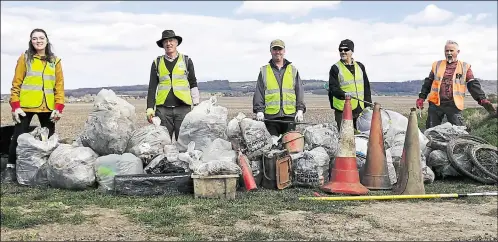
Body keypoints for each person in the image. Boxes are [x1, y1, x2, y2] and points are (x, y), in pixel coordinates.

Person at [2, 28, 65, 184]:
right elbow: (16, 84)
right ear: (31, 41)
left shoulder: (55, 61)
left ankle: (47, 172)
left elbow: (59, 86)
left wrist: (59, 107)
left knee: (48, 139)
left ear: (46, 40)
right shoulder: (25, 59)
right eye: (35, 38)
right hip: (26, 106)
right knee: (17, 138)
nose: (38, 41)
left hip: (48, 107)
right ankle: (10, 170)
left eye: (41, 38)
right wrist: (15, 106)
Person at [416, 40, 494, 129]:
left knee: (460, 132)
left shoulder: (465, 67)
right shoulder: (436, 65)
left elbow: (472, 84)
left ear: (458, 52)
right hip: (435, 104)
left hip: (453, 105)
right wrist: (421, 98)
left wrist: (482, 99)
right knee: (430, 131)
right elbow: (428, 83)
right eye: (447, 51)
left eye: (451, 51)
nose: (449, 53)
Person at [146, 30, 200, 141]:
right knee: (163, 142)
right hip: (163, 110)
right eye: (165, 41)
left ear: (176, 43)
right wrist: (150, 108)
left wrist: (196, 104)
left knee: (184, 141)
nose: (168, 44)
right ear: (162, 45)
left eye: (171, 41)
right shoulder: (157, 62)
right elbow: (152, 87)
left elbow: (193, 83)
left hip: (183, 108)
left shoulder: (186, 60)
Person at [253, 39, 306, 137]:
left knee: (289, 146)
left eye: (280, 49)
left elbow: (299, 91)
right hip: (271, 118)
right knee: (273, 146)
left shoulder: (293, 70)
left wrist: (300, 110)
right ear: (271, 51)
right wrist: (259, 110)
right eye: (275, 49)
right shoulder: (264, 71)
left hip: (289, 116)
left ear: (284, 51)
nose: (277, 52)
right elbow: (259, 92)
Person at [327, 39, 372, 130]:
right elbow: (333, 88)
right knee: (345, 138)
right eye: (340, 50)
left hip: (360, 109)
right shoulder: (335, 68)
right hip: (343, 110)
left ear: (352, 51)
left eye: (346, 49)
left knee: (362, 136)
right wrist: (343, 95)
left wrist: (368, 106)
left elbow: (366, 87)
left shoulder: (360, 66)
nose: (343, 52)